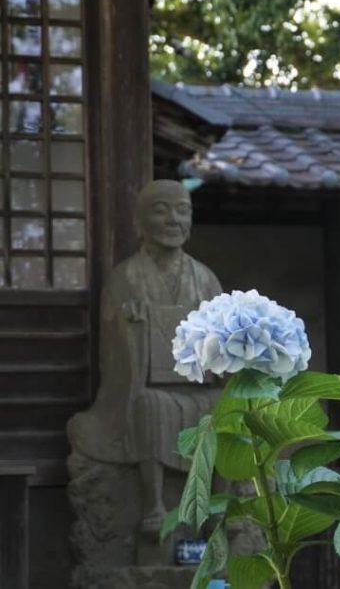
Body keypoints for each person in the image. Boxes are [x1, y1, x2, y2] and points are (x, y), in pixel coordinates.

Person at [68, 179, 222, 533]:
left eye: (183, 210)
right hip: (148, 386)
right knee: (149, 406)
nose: (173, 219)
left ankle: (217, 505)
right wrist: (129, 322)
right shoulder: (126, 277)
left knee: (225, 407)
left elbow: (223, 339)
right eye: (161, 210)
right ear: (140, 222)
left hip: (197, 386)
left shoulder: (205, 278)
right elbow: (111, 339)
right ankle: (154, 505)